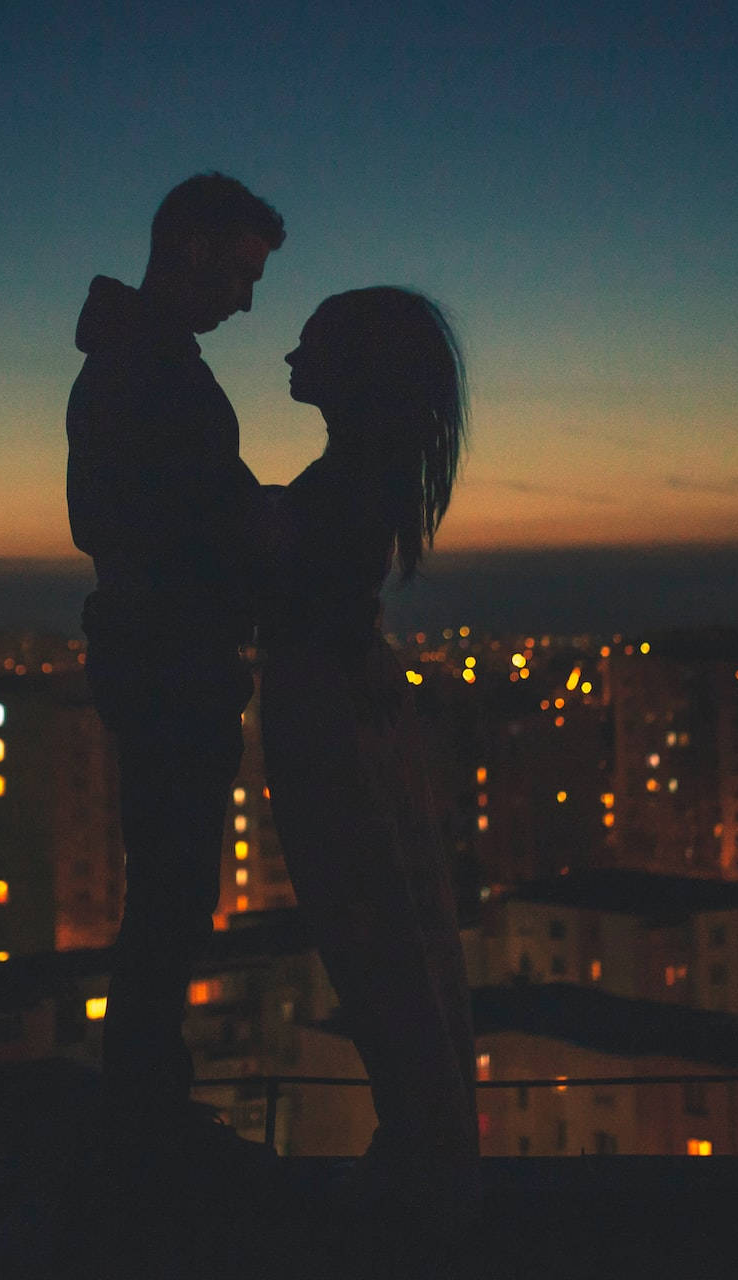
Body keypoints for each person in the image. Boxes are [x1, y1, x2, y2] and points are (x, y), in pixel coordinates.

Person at [65, 173, 284, 1149]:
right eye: (242, 272)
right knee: (172, 889)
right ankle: (146, 1110)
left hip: (160, 662)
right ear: (193, 251)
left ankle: (145, 1100)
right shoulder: (144, 372)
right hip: (169, 669)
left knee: (171, 887)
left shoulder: (141, 364)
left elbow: (201, 509)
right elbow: (177, 519)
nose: (248, 299)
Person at [259, 287, 481, 1248]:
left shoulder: (344, 483)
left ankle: (418, 1150)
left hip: (326, 724)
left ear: (349, 367)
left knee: (370, 929)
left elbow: (298, 585)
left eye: (306, 344)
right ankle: (423, 1143)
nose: (288, 359)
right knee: (379, 928)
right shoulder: (357, 476)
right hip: (339, 713)